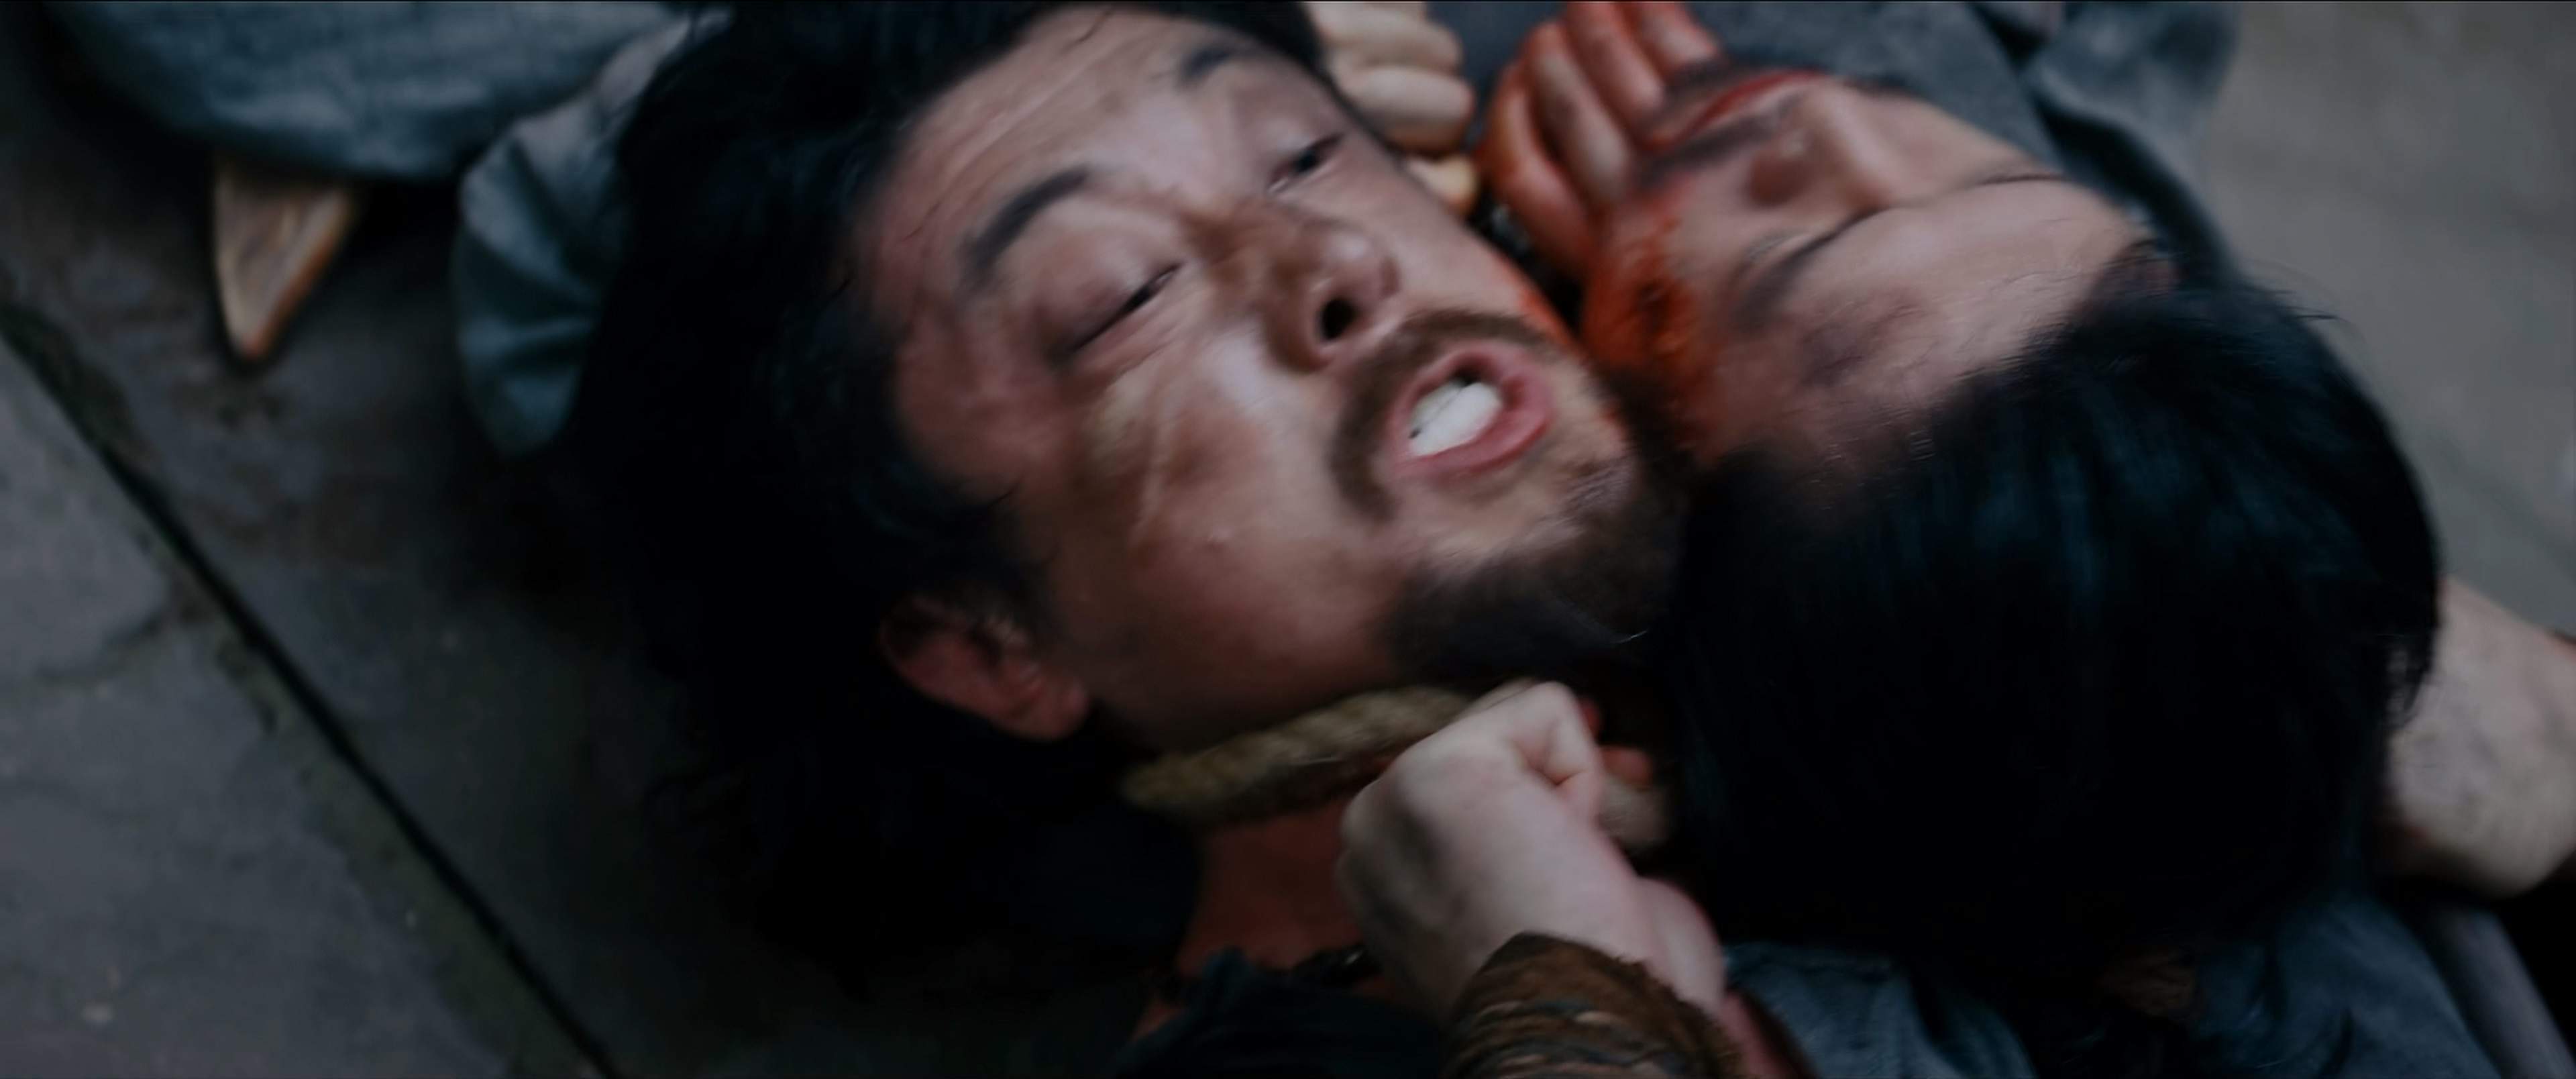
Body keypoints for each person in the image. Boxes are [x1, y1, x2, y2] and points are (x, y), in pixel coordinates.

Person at [571, 3, 2556, 1076]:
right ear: (993, 643)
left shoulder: (2013, 631)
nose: (1328, 260)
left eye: (1309, 154)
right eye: (1122, 300)